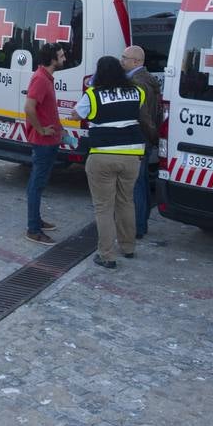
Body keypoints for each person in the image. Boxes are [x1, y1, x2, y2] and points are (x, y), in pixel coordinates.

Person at [73, 55, 147, 268]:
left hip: (102, 154)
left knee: (104, 207)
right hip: (132, 156)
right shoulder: (137, 92)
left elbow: (76, 115)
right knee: (126, 202)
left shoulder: (93, 95)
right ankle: (128, 247)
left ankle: (106, 255)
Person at [24, 43, 66, 245]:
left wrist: (58, 128)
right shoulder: (41, 79)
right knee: (36, 185)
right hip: (43, 141)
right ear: (52, 60)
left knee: (38, 184)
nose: (64, 58)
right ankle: (33, 229)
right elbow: (29, 107)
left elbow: (44, 109)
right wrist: (40, 130)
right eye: (61, 55)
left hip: (50, 139)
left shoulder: (45, 78)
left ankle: (36, 221)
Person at [121, 45, 162, 241]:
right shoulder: (149, 80)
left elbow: (143, 116)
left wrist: (151, 136)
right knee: (143, 182)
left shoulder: (136, 83)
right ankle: (142, 221)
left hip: (138, 139)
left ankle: (137, 226)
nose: (122, 61)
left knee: (135, 185)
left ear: (136, 61)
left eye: (125, 57)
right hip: (146, 139)